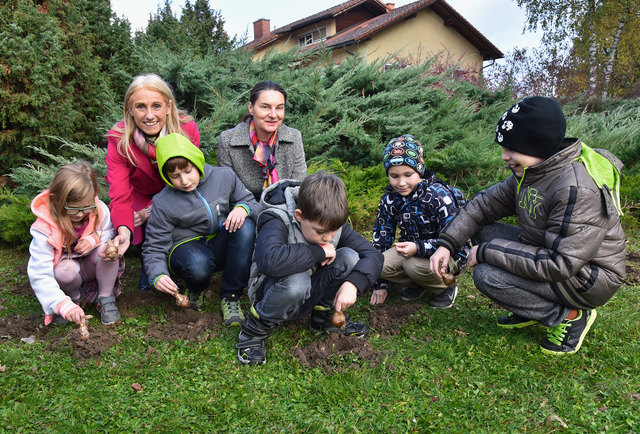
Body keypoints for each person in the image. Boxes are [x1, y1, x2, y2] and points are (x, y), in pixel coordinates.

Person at [430, 96, 626, 355]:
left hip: (585, 279)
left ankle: (570, 316)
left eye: (511, 148)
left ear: (537, 145)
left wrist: (486, 252)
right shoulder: (534, 172)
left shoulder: (575, 188)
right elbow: (482, 207)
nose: (504, 157)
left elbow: (560, 264)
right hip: (553, 257)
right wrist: (447, 244)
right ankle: (528, 307)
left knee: (488, 276)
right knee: (480, 229)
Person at [236, 171, 384, 365]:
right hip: (272, 290)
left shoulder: (328, 221)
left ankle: (322, 319)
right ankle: (254, 330)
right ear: (299, 216)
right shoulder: (276, 217)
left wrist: (353, 284)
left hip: (308, 289)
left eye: (334, 230)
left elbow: (374, 255)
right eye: (321, 232)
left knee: (349, 256)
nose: (329, 237)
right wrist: (319, 252)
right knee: (297, 281)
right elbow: (269, 261)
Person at [142, 133, 259, 326]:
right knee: (198, 264)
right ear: (166, 176)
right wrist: (157, 275)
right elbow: (154, 247)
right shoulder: (163, 202)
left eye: (188, 171)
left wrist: (242, 208)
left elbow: (250, 203)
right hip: (186, 247)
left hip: (219, 239)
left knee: (245, 226)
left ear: (197, 162)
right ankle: (196, 287)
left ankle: (231, 295)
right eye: (175, 176)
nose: (185, 181)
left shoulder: (224, 176)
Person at [106, 73, 200, 289]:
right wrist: (123, 230)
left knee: (166, 214)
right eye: (141, 107)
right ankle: (147, 263)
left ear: (168, 106)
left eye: (156, 106)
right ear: (130, 109)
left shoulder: (186, 130)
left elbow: (187, 179)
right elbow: (119, 192)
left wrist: (151, 210)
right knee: (134, 217)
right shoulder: (119, 139)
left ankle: (174, 261)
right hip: (141, 192)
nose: (149, 115)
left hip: (177, 190)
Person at [370, 134, 470, 307]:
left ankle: (445, 287)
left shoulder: (438, 195)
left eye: (408, 174)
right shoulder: (389, 199)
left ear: (420, 169)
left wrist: (419, 247)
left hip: (447, 254)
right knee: (377, 263)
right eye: (394, 176)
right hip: (412, 251)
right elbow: (381, 239)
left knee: (413, 266)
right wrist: (381, 284)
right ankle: (420, 284)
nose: (401, 183)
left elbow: (457, 240)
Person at [27, 161, 124, 326]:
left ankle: (106, 297)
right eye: (73, 209)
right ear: (56, 200)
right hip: (68, 270)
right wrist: (61, 305)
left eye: (87, 207)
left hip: (93, 266)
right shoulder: (44, 228)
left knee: (108, 250)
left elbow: (109, 232)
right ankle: (73, 298)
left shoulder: (98, 209)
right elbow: (39, 273)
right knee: (66, 271)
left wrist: (93, 239)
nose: (81, 214)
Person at [217, 80, 307, 200]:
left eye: (279, 108)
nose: (273, 115)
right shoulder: (228, 140)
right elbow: (227, 190)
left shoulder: (294, 137)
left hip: (286, 207)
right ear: (251, 108)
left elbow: (298, 186)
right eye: (265, 107)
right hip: (244, 210)